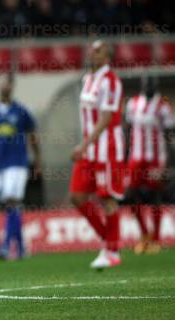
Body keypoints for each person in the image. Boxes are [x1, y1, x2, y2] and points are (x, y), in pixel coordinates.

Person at [69, 40, 126, 269]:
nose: (92, 53)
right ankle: (110, 241)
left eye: (98, 51)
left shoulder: (111, 81)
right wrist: (85, 146)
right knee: (77, 197)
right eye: (91, 50)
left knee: (107, 198)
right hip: (89, 150)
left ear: (107, 56)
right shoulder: (87, 79)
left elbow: (106, 118)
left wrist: (83, 145)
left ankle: (112, 252)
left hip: (106, 149)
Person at [0, 74, 40, 260]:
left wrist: (37, 160)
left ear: (12, 86)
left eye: (8, 83)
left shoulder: (22, 110)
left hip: (18, 162)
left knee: (12, 200)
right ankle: (20, 248)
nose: (5, 86)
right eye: (2, 82)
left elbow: (33, 136)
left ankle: (5, 246)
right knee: (9, 204)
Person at [125, 77, 175, 254]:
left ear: (156, 86)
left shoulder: (163, 106)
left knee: (156, 197)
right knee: (130, 194)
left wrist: (168, 164)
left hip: (156, 158)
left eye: (151, 83)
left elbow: (169, 136)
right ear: (142, 85)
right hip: (136, 157)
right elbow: (128, 129)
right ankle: (145, 235)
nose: (147, 86)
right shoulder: (132, 103)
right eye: (145, 83)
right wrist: (125, 156)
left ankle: (156, 240)